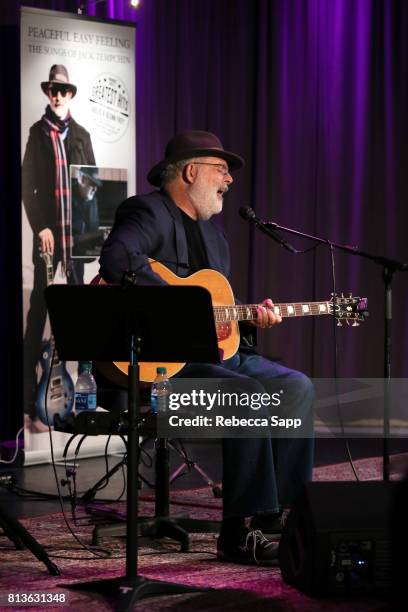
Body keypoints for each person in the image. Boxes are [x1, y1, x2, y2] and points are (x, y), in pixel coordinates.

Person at [99, 130, 314, 565]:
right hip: (158, 371)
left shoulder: (216, 239)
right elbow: (117, 260)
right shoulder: (146, 212)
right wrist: (185, 306)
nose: (230, 180)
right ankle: (239, 534)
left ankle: (282, 519)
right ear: (191, 171)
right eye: (222, 170)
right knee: (246, 395)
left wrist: (249, 320)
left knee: (297, 387)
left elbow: (220, 323)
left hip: (213, 360)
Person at [22, 64, 96, 423]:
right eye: (53, 89)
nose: (58, 95)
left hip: (77, 239)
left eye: (63, 90)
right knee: (40, 308)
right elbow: (28, 185)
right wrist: (40, 227)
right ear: (48, 92)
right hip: (50, 240)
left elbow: (93, 184)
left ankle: (85, 392)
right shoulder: (37, 133)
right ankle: (26, 392)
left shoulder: (81, 135)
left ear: (70, 95)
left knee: (83, 312)